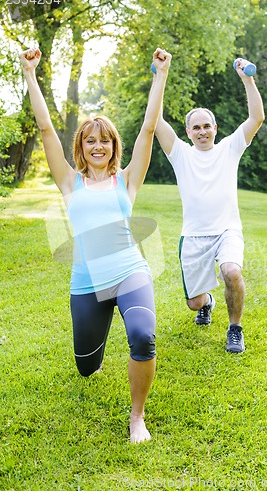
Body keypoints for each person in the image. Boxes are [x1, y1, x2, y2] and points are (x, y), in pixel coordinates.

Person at [20, 46, 171, 443]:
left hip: (129, 272)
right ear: (82, 148)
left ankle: (137, 417)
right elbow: (46, 129)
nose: (98, 146)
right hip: (86, 282)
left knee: (143, 335)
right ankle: (94, 352)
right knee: (86, 367)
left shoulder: (127, 180)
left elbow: (149, 129)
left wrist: (160, 75)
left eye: (105, 140)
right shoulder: (70, 182)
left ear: (113, 145)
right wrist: (31, 74)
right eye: (90, 141)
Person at [154, 58, 265, 353]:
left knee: (231, 271)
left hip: (227, 230)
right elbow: (154, 121)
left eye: (207, 126)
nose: (202, 131)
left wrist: (247, 79)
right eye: (196, 127)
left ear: (215, 128)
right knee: (194, 304)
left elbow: (256, 119)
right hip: (193, 236)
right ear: (188, 132)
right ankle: (208, 301)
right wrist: (160, 77)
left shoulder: (229, 148)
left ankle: (235, 328)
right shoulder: (180, 153)